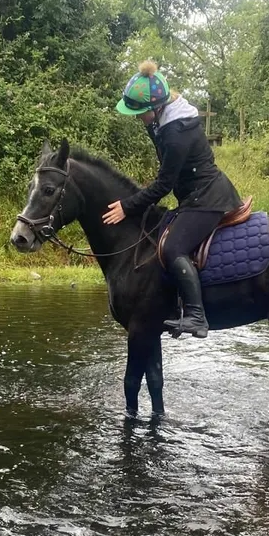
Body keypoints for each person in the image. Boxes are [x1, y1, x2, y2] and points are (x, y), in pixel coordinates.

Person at [104, 61, 242, 337]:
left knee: (172, 248)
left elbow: (164, 185)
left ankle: (196, 316)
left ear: (156, 108)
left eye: (140, 113)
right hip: (194, 196)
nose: (137, 117)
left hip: (207, 199)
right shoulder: (165, 121)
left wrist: (127, 207)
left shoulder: (175, 133)